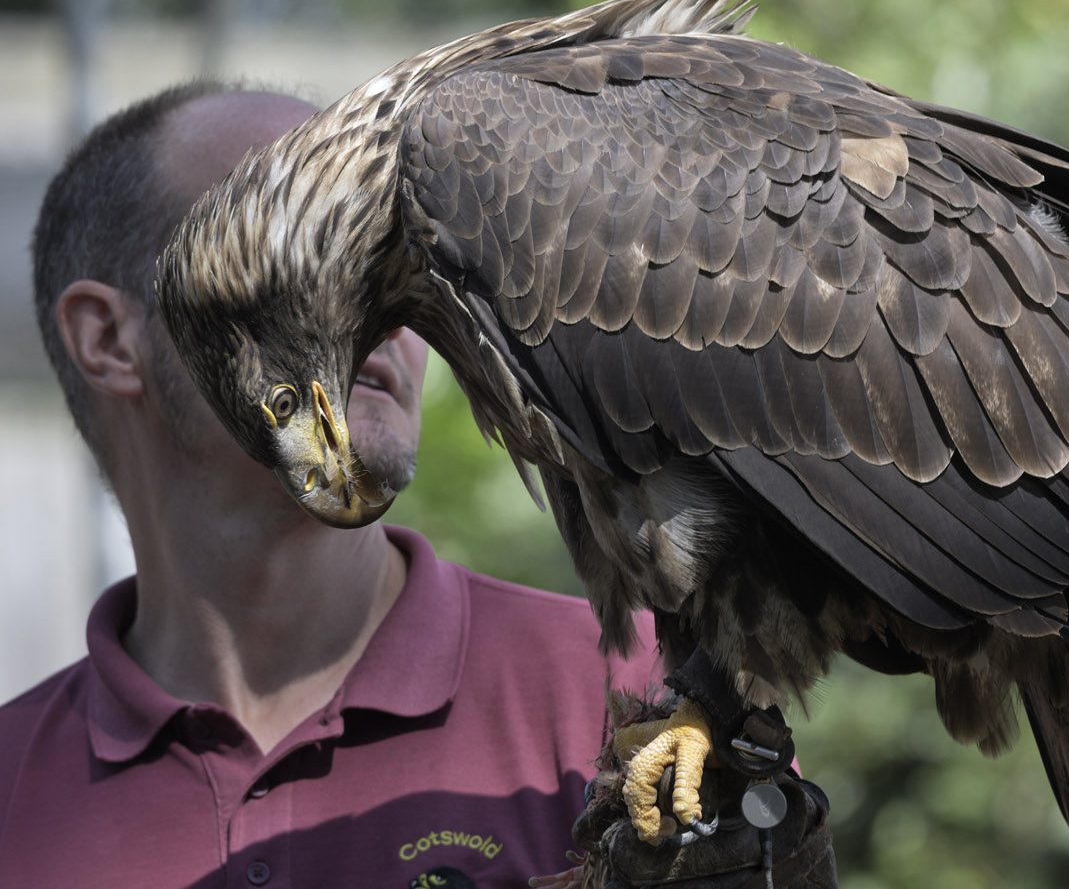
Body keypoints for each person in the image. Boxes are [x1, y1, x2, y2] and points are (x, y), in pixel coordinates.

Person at [0, 82, 667, 887]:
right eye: (300, 255)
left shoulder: (632, 695)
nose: (390, 313)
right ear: (109, 339)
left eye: (393, 259)